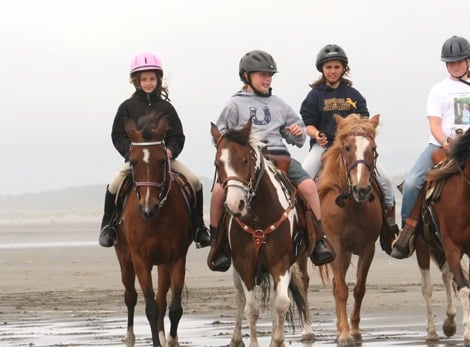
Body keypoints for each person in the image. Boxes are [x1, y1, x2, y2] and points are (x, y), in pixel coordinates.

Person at [206, 49, 335, 272]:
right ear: (246, 76)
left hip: (279, 157)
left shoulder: (280, 104)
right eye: (262, 74)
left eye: (270, 75)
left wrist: (296, 132)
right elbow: (221, 138)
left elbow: (299, 138)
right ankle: (217, 245)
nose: (267, 79)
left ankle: (319, 239)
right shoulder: (234, 104)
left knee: (308, 186)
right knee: (218, 193)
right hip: (246, 162)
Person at [391, 36, 470, 263]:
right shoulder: (439, 90)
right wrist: (445, 141)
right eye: (451, 62)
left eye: (459, 61)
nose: (455, 65)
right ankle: (407, 232)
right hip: (440, 145)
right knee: (411, 183)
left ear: (469, 62)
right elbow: (434, 123)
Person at [98, 52, 211, 249]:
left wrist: (171, 152)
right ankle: (108, 226)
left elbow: (177, 136)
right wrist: (131, 154)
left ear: (158, 80)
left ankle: (199, 228)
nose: (148, 82)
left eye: (152, 78)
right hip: (137, 161)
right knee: (114, 185)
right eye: (144, 79)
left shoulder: (166, 108)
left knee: (194, 182)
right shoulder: (126, 107)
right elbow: (118, 135)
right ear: (137, 81)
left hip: (162, 159)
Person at [300, 44, 399, 254]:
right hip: (324, 147)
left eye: (337, 66)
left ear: (344, 68)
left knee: (386, 181)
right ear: (322, 69)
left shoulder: (353, 94)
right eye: (328, 67)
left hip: (354, 150)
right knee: (302, 177)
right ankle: (301, 226)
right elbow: (307, 123)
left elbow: (365, 122)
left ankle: (389, 225)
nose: (333, 70)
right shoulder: (315, 96)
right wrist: (316, 134)